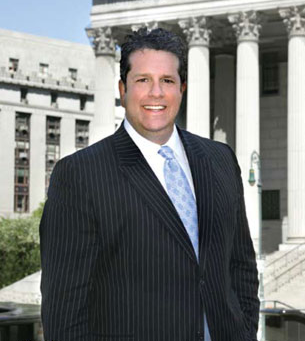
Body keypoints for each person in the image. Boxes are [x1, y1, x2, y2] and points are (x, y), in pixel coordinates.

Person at [40, 28, 259, 341]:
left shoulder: (220, 159)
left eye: (167, 81)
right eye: (142, 80)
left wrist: (244, 333)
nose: (156, 93)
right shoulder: (80, 175)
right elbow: (64, 315)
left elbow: (241, 268)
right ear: (122, 89)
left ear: (182, 88)